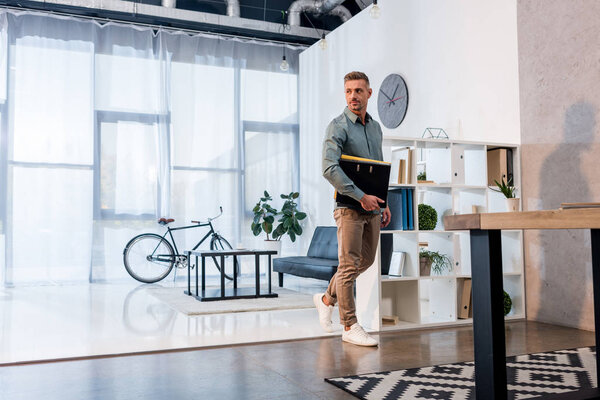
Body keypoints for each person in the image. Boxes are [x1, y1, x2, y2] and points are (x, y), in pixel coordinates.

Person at [315, 71, 391, 347]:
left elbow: (378, 168)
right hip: (349, 206)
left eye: (359, 91)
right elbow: (328, 168)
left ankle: (326, 300)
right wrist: (361, 197)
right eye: (348, 91)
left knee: (366, 261)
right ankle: (349, 324)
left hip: (373, 207)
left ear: (369, 93)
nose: (353, 96)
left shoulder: (376, 128)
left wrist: (384, 202)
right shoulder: (337, 126)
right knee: (348, 266)